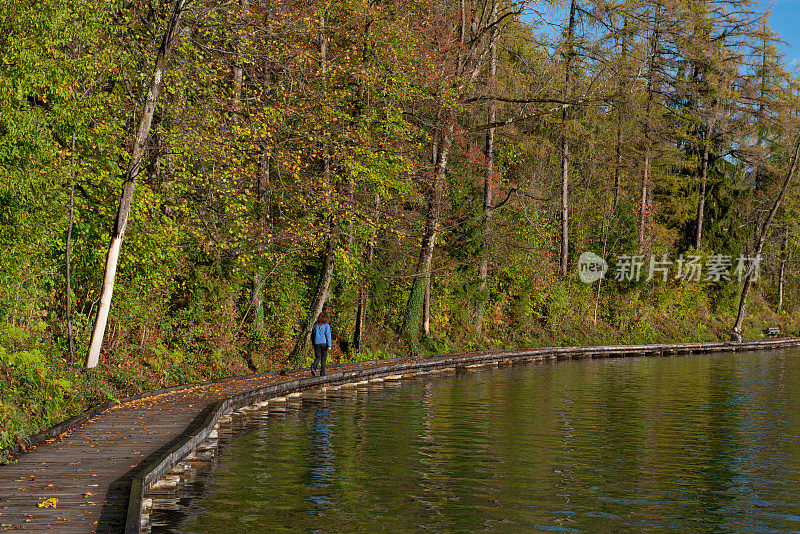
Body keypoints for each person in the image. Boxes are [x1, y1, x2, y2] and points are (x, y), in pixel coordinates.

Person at [310, 310, 332, 376]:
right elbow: (328, 335)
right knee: (323, 358)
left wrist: (313, 343)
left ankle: (313, 366)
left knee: (317, 357)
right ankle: (322, 373)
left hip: (316, 343)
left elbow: (312, 335)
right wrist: (329, 345)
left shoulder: (315, 325)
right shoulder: (326, 325)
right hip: (324, 343)